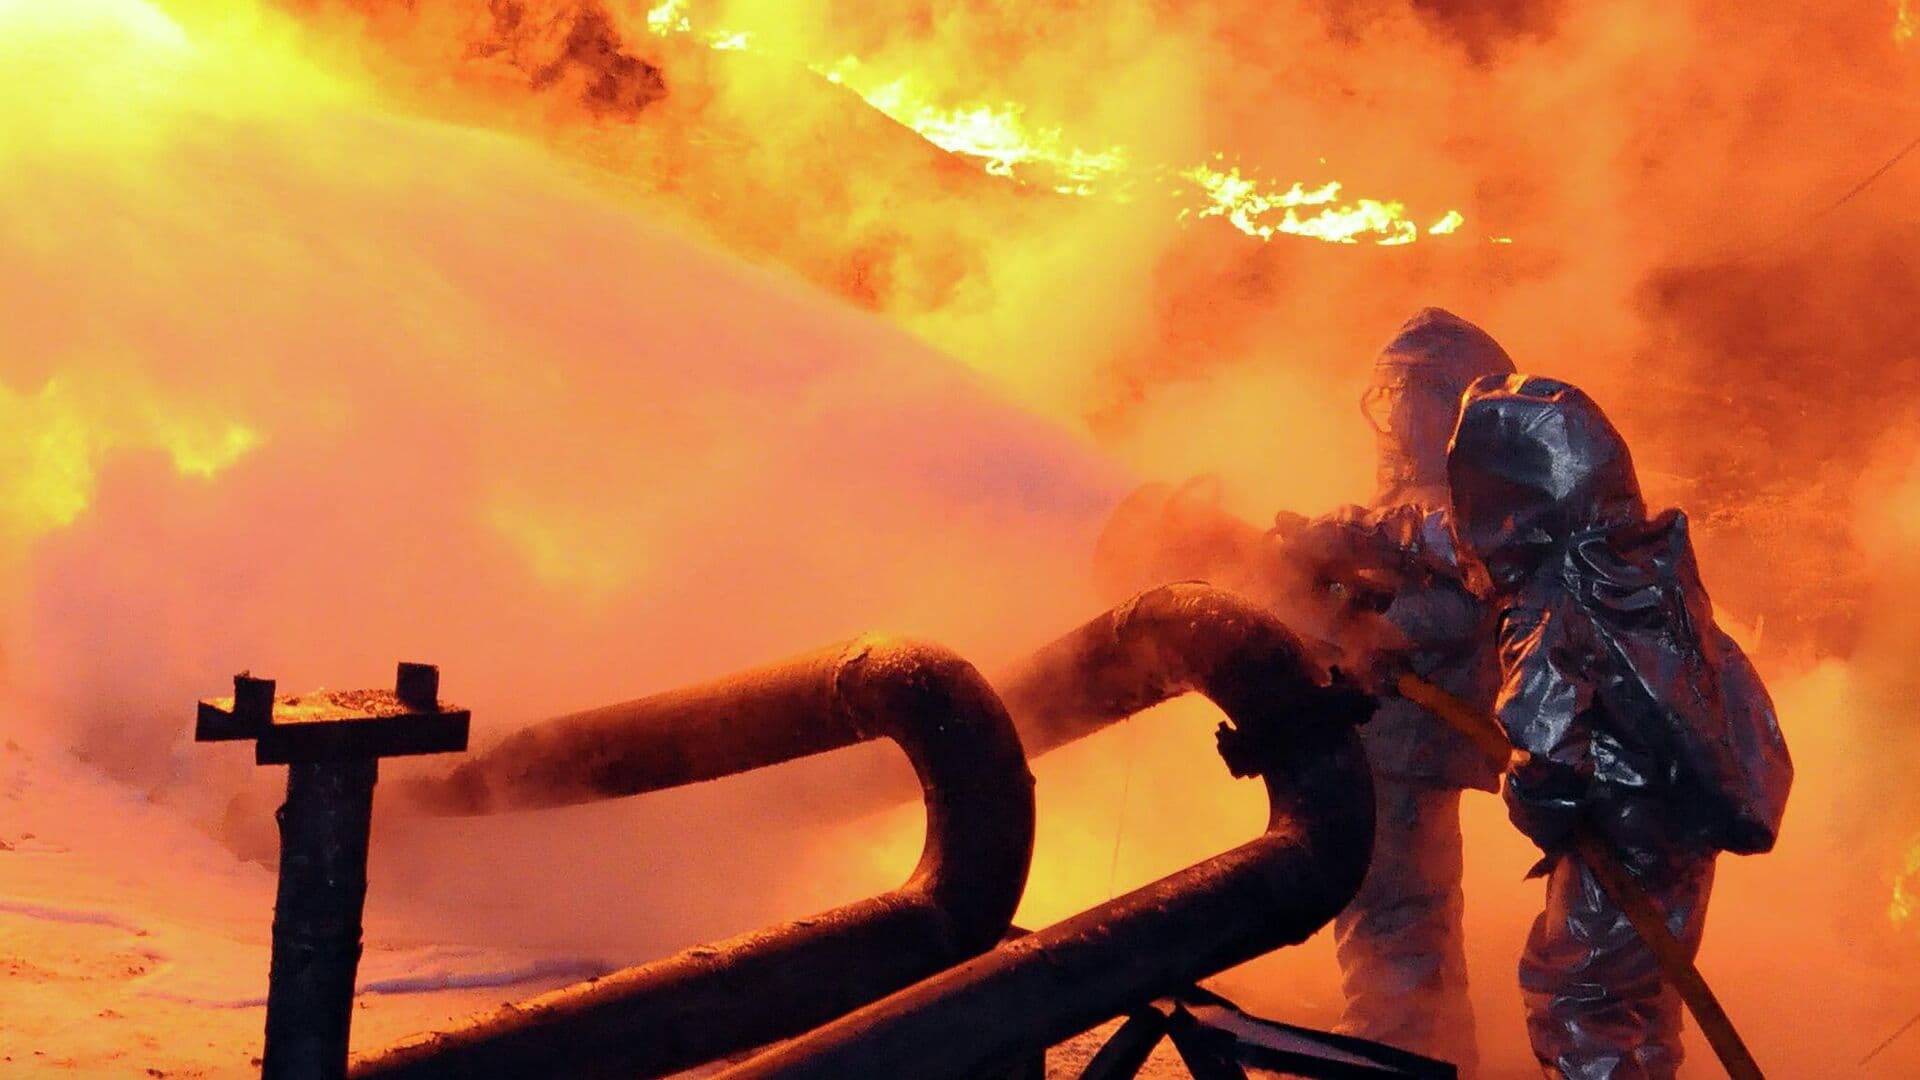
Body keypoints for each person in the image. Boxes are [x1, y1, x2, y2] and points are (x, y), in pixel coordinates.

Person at [1445, 374, 1792, 1079]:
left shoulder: (1549, 597)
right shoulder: (1651, 565)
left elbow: (1543, 749)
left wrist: (1544, 816)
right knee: (1650, 988)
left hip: (1619, 832)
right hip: (1687, 820)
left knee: (1578, 996)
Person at [1263, 308, 1517, 1073]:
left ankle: (1392, 1061)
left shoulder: (1466, 510)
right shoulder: (1420, 504)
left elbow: (1458, 608)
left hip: (1406, 743)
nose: (1393, 413)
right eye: (1388, 394)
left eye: (1409, 393)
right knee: (1405, 926)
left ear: (1452, 404)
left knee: (1393, 930)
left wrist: (1355, 611)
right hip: (1388, 741)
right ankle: (1435, 1059)